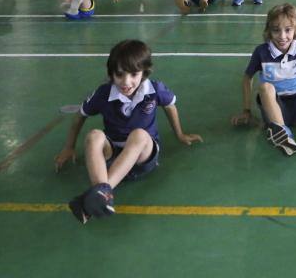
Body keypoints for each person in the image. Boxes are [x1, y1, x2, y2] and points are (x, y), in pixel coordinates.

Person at [55, 39, 202, 224]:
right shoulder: (103, 93)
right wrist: (69, 147)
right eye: (119, 74)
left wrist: (179, 134)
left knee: (139, 134)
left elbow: (170, 106)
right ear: (111, 73)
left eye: (134, 74)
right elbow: (80, 116)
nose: (126, 82)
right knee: (94, 135)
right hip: (113, 156)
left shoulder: (155, 90)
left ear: (144, 72)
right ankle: (98, 197)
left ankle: (101, 192)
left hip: (142, 159)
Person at [231, 3, 296, 156]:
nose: (282, 36)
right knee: (265, 88)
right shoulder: (261, 52)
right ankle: (283, 134)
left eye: (288, 30)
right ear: (269, 31)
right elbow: (247, 78)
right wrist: (246, 111)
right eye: (276, 30)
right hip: (275, 110)